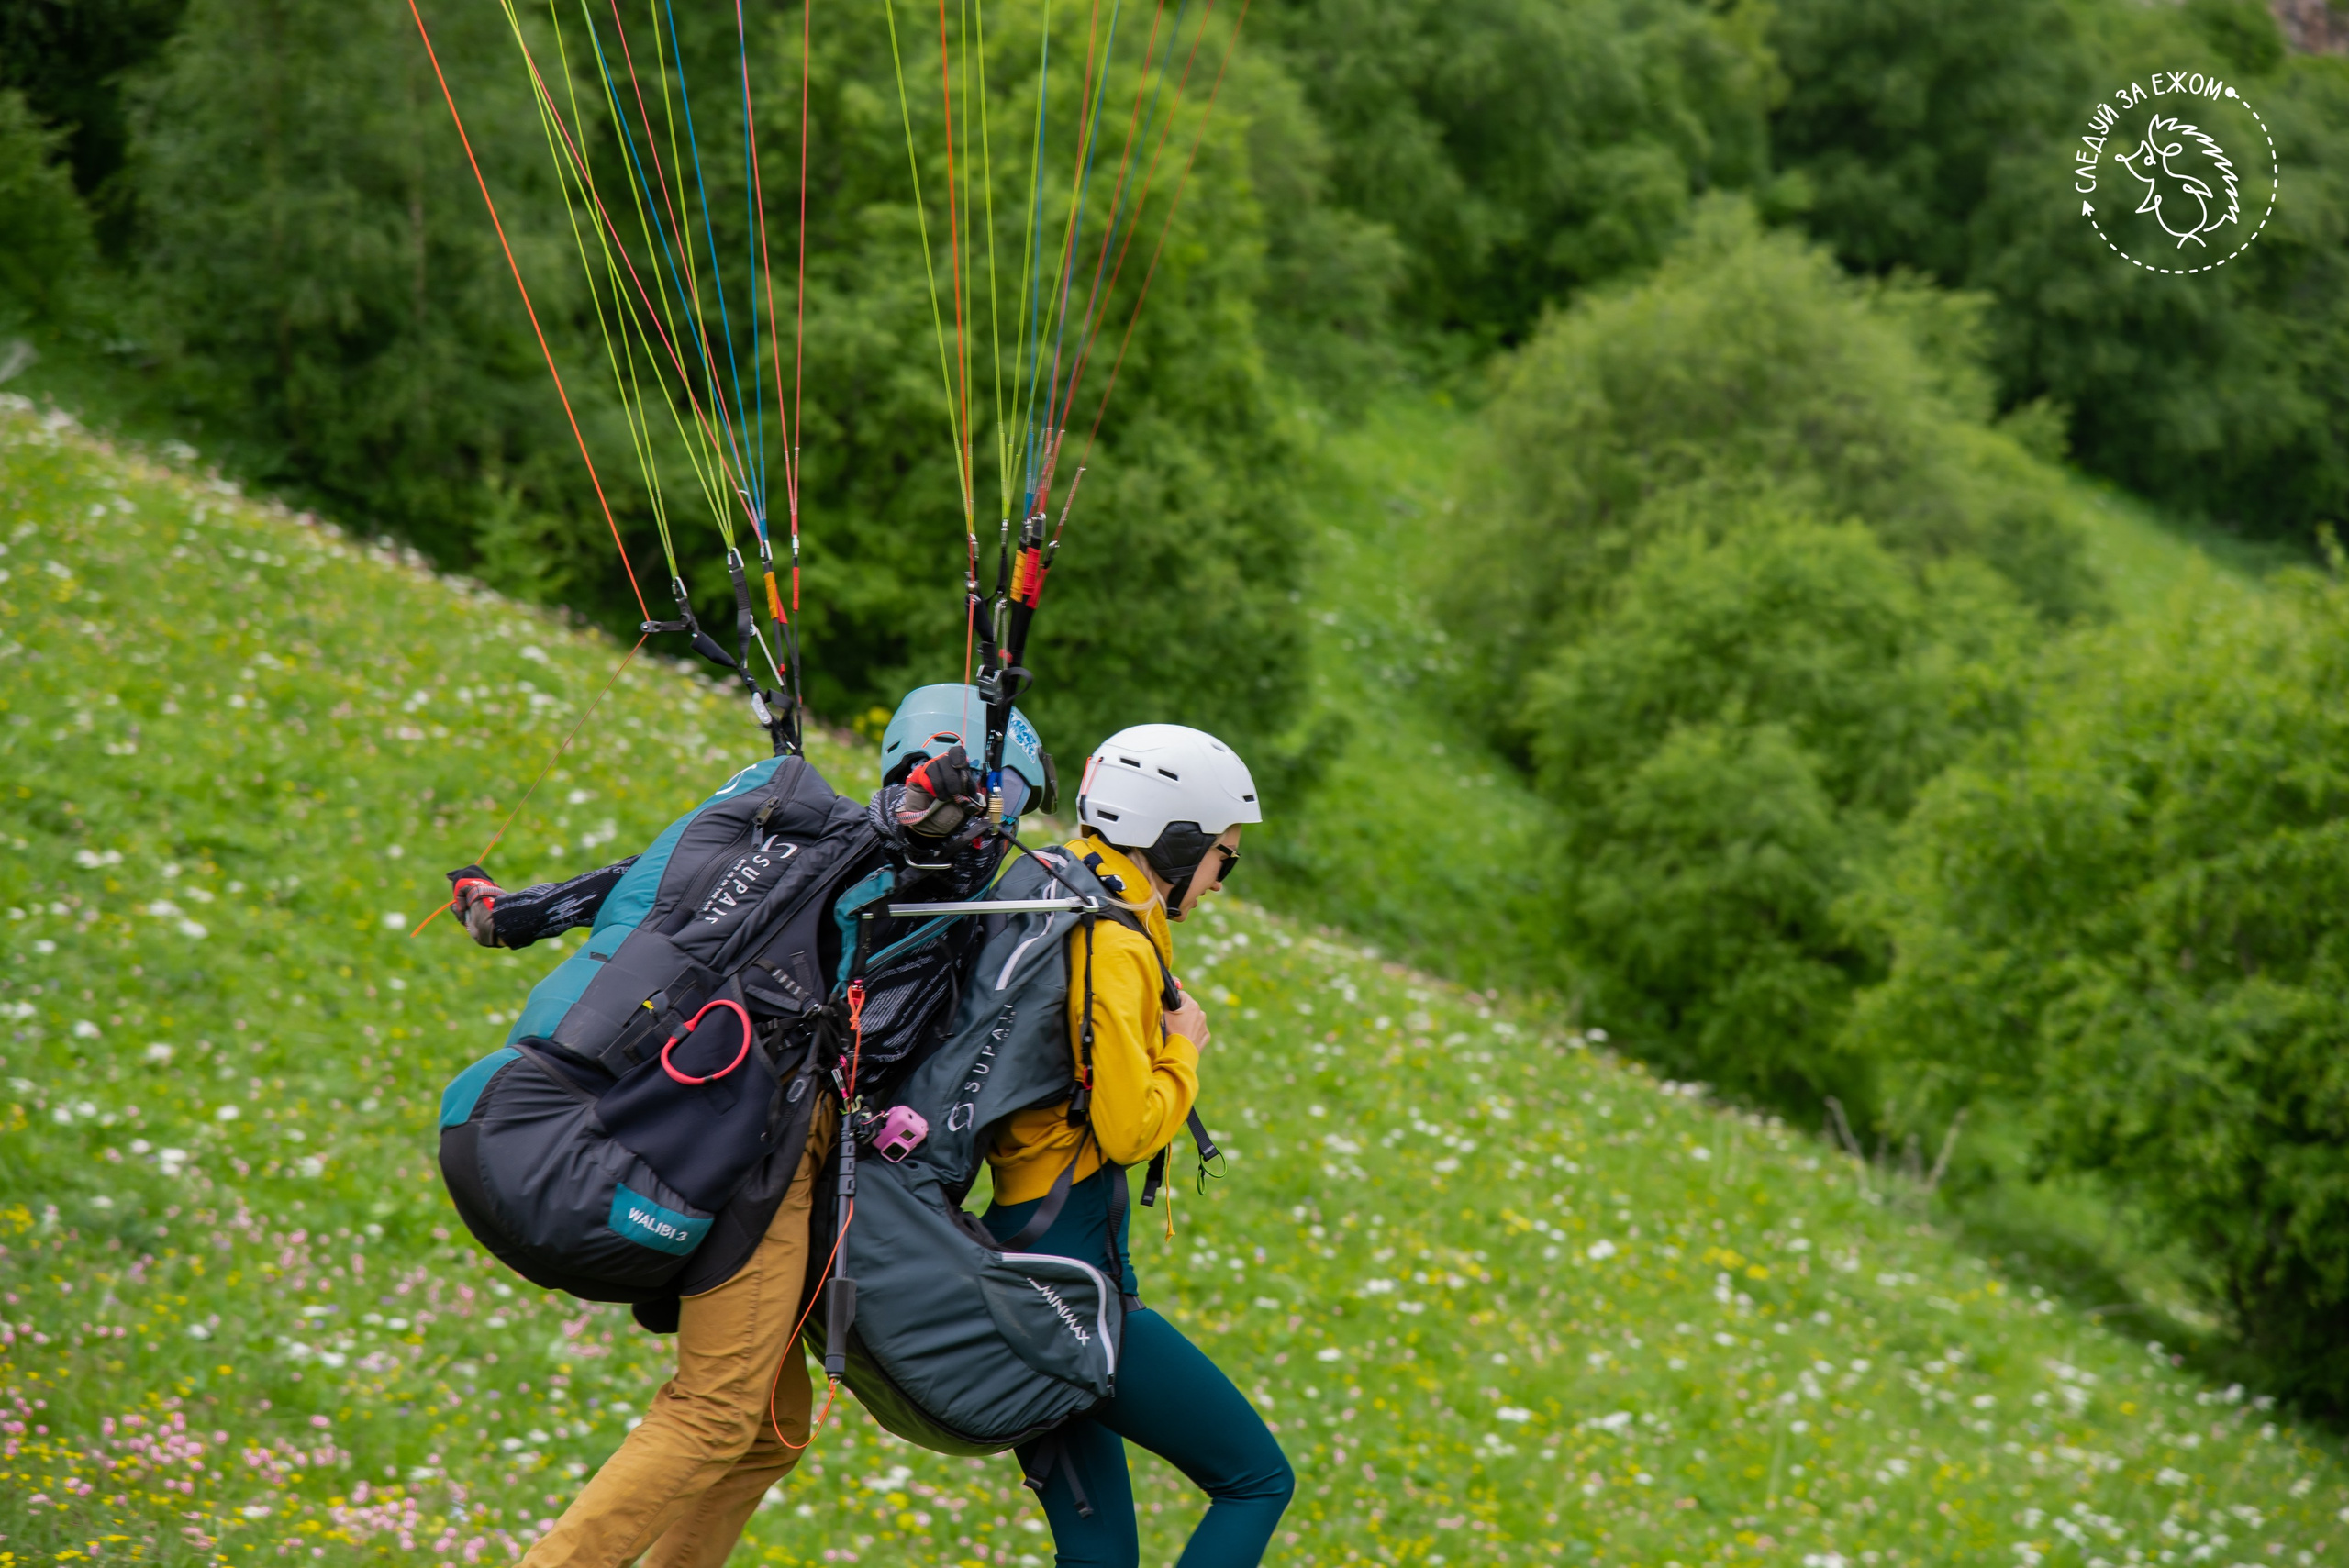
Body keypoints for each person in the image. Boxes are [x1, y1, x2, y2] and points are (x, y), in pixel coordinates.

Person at [440, 685, 1052, 1568]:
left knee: (771, 1425)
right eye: (998, 812)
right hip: (754, 1141)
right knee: (721, 1408)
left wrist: (501, 910)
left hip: (598, 1120)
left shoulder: (783, 850)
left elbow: (591, 895)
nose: (996, 839)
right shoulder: (883, 852)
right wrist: (928, 807)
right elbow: (906, 838)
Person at [983, 723, 1295, 1568]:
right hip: (1068, 1273)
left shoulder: (1055, 883)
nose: (1222, 880)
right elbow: (1126, 1127)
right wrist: (1183, 1048)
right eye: (1224, 858)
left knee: (1100, 1558)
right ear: (1177, 841)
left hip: (1021, 1254)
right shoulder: (1113, 942)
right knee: (1258, 1479)